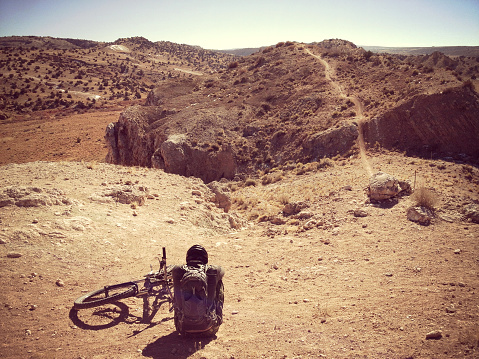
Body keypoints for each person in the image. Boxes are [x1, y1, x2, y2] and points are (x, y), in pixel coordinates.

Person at [172, 244, 224, 336]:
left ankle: (181, 318)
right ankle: (215, 318)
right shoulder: (212, 270)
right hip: (209, 329)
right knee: (219, 283)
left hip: (183, 329)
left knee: (178, 286)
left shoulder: (178, 270)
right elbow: (223, 271)